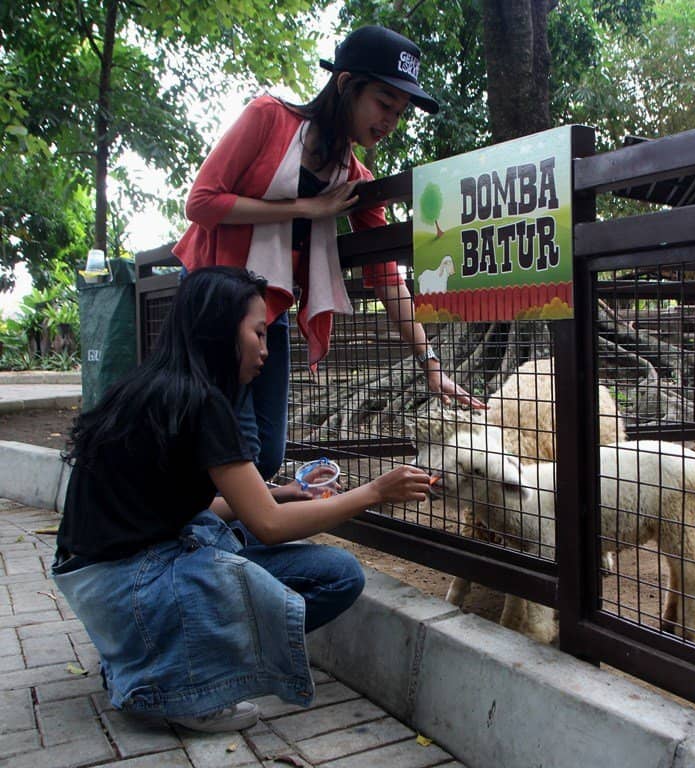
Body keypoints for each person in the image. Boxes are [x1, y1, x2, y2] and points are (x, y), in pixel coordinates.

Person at [52, 267, 432, 733]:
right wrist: (374, 492)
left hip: (97, 589)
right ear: (220, 331)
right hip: (134, 585)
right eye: (258, 333)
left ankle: (139, 656)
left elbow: (171, 509)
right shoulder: (204, 403)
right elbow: (270, 526)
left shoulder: (145, 387)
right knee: (339, 576)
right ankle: (189, 684)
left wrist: (283, 492)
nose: (266, 350)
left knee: (221, 530)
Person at [173, 24, 485, 482]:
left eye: (399, 113)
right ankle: (214, 523)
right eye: (383, 103)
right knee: (233, 440)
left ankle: (232, 521)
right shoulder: (268, 118)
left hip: (268, 306)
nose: (390, 122)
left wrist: (431, 365)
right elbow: (200, 203)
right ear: (345, 84)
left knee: (268, 450)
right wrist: (305, 208)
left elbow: (386, 277)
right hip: (212, 301)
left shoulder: (355, 180)